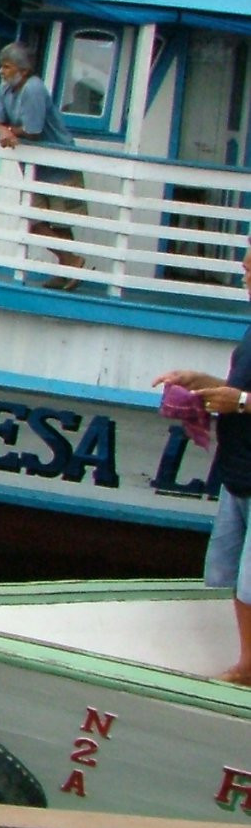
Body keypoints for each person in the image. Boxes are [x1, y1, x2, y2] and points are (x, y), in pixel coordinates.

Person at [152, 244, 251, 687]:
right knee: (222, 576)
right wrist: (204, 384)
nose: (246, 266)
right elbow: (237, 390)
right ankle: (240, 658)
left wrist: (243, 401)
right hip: (239, 473)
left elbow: (243, 398)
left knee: (250, 586)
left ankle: (247, 670)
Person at [0, 41, 87, 289]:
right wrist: (2, 130)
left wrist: (7, 131)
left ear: (22, 69)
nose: (2, 71)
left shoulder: (34, 89)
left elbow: (33, 130)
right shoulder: (5, 90)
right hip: (35, 168)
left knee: (59, 221)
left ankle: (68, 266)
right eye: (2, 66)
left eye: (7, 67)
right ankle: (69, 262)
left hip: (60, 166)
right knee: (33, 220)